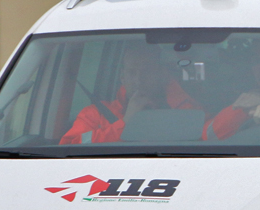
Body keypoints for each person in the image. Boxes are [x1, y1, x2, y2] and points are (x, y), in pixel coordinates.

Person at [60, 45, 200, 144]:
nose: (139, 80)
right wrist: (125, 124)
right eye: (132, 72)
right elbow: (68, 148)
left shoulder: (185, 110)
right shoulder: (95, 114)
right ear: (123, 77)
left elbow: (208, 140)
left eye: (147, 72)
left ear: (161, 75)